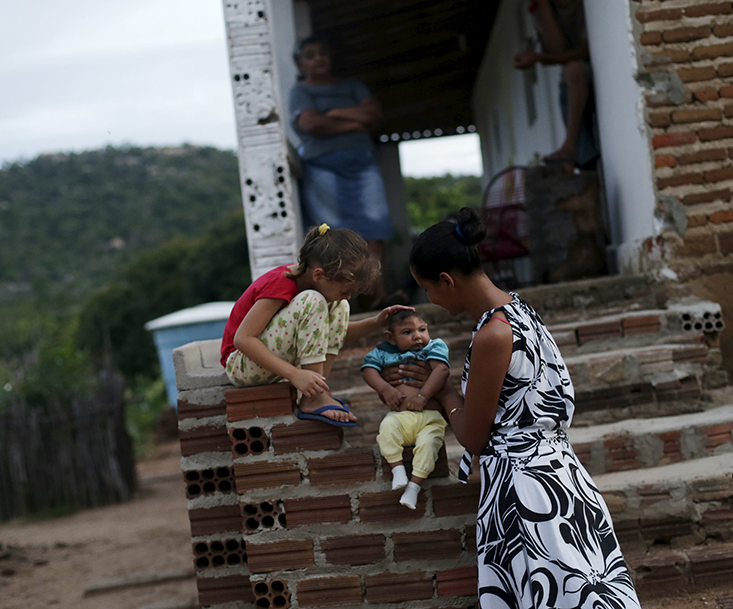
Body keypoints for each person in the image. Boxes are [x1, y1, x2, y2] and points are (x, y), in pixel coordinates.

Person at [408, 208, 641, 608]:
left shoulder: (492, 335)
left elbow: (473, 436)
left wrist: (444, 393)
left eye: (427, 289)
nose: (429, 300)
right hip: (562, 477)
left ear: (447, 280)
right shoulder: (520, 310)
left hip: (527, 494)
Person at [220, 224, 409, 427]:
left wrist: (376, 323)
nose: (348, 296)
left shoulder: (316, 286)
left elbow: (333, 333)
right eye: (345, 291)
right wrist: (294, 374)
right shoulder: (282, 283)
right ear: (319, 275)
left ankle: (317, 390)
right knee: (314, 300)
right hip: (241, 365)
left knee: (340, 305)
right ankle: (314, 396)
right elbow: (243, 339)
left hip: (266, 361)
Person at [289, 35, 393, 303]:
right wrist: (354, 122)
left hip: (362, 165)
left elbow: (372, 114)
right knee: (334, 236)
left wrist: (334, 114)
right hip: (322, 168)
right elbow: (310, 124)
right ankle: (343, 300)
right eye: (310, 55)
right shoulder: (300, 92)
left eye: (322, 53)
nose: (318, 58)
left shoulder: (352, 86)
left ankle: (375, 294)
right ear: (300, 65)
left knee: (374, 227)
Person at [361, 310, 452, 509]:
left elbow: (441, 370)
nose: (417, 336)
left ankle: (413, 487)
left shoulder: (433, 347)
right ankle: (398, 470)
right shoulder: (383, 352)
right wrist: (385, 389)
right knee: (386, 429)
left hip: (430, 418)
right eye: (407, 332)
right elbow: (368, 370)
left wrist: (423, 396)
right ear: (391, 338)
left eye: (422, 329)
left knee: (429, 445)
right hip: (399, 417)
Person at [514, 0, 599, 167]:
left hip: (587, 73)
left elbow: (585, 50)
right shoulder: (542, 10)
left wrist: (538, 57)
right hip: (574, 85)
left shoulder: (583, 6)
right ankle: (577, 160)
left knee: (574, 70)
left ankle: (570, 148)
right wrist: (543, 6)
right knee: (571, 75)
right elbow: (557, 50)